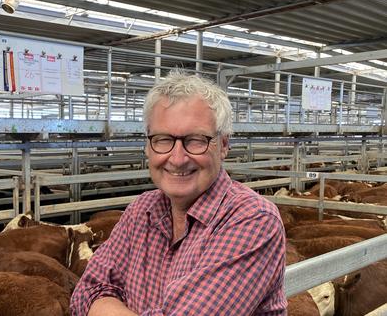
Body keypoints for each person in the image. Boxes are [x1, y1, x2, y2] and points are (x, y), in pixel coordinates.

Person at [70, 73, 286, 315]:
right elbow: (85, 293)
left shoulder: (253, 220)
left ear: (224, 145)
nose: (177, 158)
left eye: (196, 140)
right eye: (163, 140)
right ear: (147, 146)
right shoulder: (141, 211)